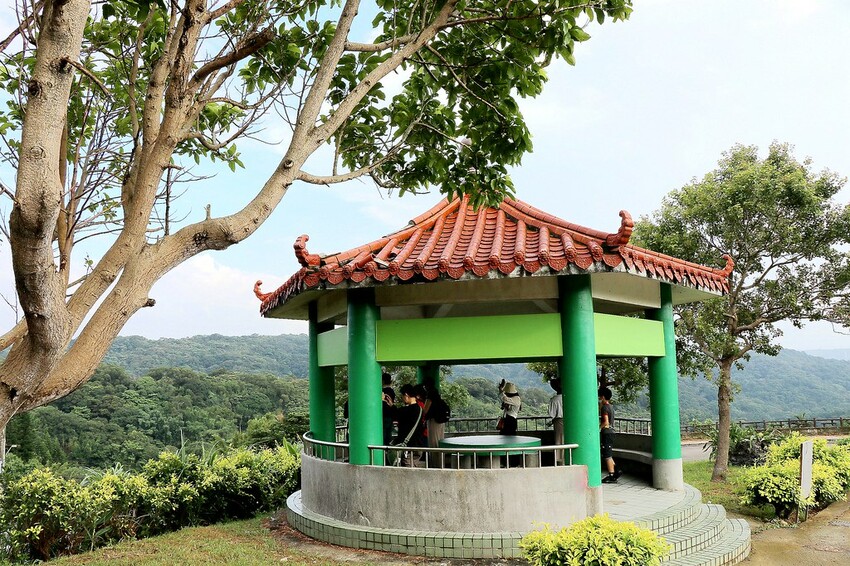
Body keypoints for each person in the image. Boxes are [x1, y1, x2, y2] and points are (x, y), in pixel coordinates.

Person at [393, 384, 425, 466]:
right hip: (418, 444)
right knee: (414, 464)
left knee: (407, 466)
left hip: (409, 445)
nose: (402, 399)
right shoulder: (420, 409)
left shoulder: (404, 411)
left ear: (406, 395)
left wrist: (391, 406)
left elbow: (395, 414)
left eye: (402, 396)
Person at [599, 386, 621, 483]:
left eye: (600, 396)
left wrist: (598, 428)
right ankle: (617, 471)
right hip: (612, 432)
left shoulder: (604, 408)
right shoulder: (610, 407)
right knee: (608, 454)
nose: (599, 398)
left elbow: (606, 422)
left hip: (607, 433)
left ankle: (611, 475)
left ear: (603, 397)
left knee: (607, 455)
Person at [548, 378, 564, 465]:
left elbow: (552, 414)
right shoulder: (571, 397)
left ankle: (560, 461)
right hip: (570, 422)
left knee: (559, 440)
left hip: (558, 422)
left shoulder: (554, 399)